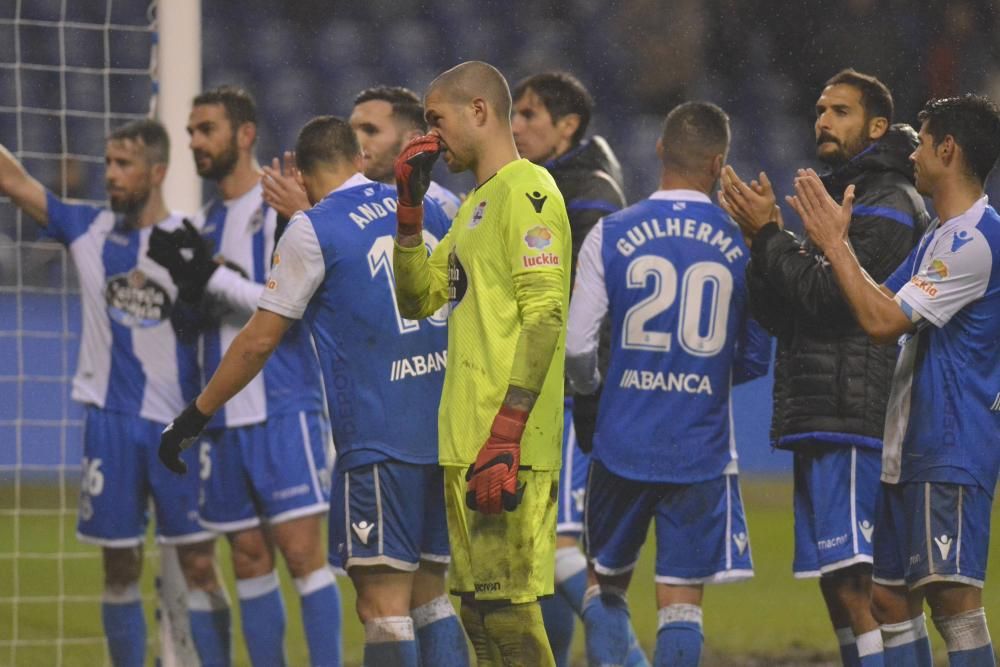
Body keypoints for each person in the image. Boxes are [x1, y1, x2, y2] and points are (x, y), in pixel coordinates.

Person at [159, 116, 469, 667]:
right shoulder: (431, 204)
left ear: (300, 173)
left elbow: (257, 342)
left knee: (382, 607)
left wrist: (193, 417)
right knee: (431, 595)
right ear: (357, 156)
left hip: (379, 440)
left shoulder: (314, 228)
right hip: (444, 432)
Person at [719, 69, 931, 667]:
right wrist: (763, 241)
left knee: (860, 587)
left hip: (857, 412)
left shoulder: (888, 203)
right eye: (819, 109)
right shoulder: (839, 203)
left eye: (840, 111)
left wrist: (770, 237)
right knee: (834, 585)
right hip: (822, 408)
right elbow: (781, 310)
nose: (823, 121)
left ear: (878, 125)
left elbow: (827, 300)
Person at [0, 121, 226, 667]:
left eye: (123, 165)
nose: (111, 175)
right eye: (107, 163)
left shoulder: (192, 239)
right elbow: (14, 182)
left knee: (199, 563)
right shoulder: (87, 229)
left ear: (157, 172)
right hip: (111, 424)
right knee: (118, 567)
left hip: (178, 429)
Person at [789, 93, 1000, 667]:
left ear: (948, 150)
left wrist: (835, 243)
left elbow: (881, 323)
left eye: (923, 142)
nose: (912, 155)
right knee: (887, 598)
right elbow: (882, 299)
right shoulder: (941, 232)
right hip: (910, 446)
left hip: (950, 447)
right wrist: (836, 248)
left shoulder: (973, 239)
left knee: (955, 607)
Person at [566, 101, 770, 667]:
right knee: (681, 602)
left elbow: (579, 347)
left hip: (621, 442)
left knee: (603, 584)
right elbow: (754, 359)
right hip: (698, 450)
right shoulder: (743, 246)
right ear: (720, 162)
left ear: (660, 149)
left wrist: (594, 398)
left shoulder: (610, 234)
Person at [154, 85, 341, 666]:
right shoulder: (204, 223)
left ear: (244, 134)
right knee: (251, 559)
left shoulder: (279, 208)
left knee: (303, 555)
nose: (194, 143)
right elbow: (206, 313)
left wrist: (210, 278)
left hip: (283, 403)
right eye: (190, 132)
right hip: (224, 417)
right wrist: (185, 296)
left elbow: (281, 304)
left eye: (206, 129)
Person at [392, 60, 571, 666]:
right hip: (469, 441)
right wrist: (409, 212)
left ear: (478, 111)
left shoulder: (529, 190)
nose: (431, 137)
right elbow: (417, 297)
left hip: (506, 443)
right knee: (478, 611)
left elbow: (545, 316)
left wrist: (508, 432)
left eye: (436, 120)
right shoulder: (475, 207)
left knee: (511, 616)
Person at [510, 71, 643, 667]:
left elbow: (583, 302)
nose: (516, 126)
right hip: (554, 389)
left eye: (530, 116)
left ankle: (630, 658)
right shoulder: (557, 181)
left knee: (557, 548)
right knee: (545, 548)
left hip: (569, 391)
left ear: (567, 126)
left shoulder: (586, 193)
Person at [261, 85, 461, 223]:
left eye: (370, 130)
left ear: (412, 140)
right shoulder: (328, 198)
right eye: (351, 131)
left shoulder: (441, 206)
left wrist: (309, 217)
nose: (354, 141)